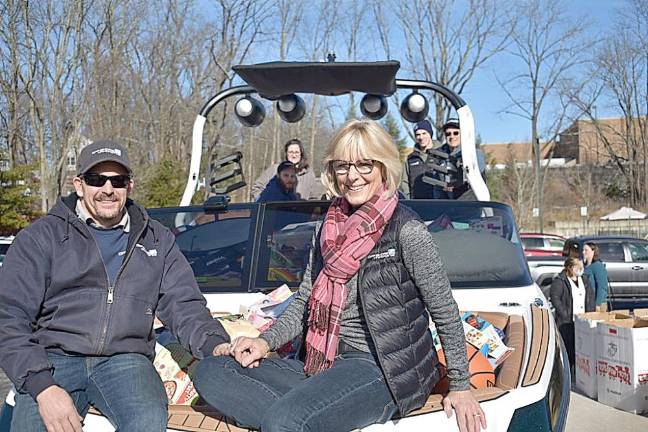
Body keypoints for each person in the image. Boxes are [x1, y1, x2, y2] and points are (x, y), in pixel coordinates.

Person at [194, 119, 486, 432]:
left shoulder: (407, 230)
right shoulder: (326, 229)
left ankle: (291, 420)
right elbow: (306, 299)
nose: (353, 176)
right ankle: (299, 419)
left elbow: (443, 309)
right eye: (343, 166)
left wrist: (460, 386)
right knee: (212, 371)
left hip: (382, 369)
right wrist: (265, 342)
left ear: (384, 166)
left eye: (364, 164)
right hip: (322, 359)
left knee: (286, 421)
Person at [0, 140, 231, 432]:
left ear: (129, 186)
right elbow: (9, 318)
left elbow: (183, 304)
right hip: (53, 358)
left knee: (148, 422)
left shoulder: (156, 239)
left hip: (125, 360)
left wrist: (215, 343)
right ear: (79, 184)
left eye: (117, 180)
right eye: (97, 179)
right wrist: (43, 387)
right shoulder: (40, 238)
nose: (108, 189)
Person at [550, 258, 595, 369]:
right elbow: (555, 298)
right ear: (570, 268)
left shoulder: (584, 280)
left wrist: (591, 314)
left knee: (582, 347)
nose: (580, 270)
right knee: (568, 347)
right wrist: (565, 313)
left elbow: (590, 296)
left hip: (583, 319)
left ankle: (580, 369)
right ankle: (569, 369)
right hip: (567, 321)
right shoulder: (560, 281)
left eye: (581, 268)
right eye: (577, 268)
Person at [432, 119, 487, 200]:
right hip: (449, 207)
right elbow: (438, 187)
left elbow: (476, 175)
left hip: (471, 206)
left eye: (456, 133)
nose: (452, 137)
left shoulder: (474, 154)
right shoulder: (440, 158)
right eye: (448, 134)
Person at [251, 139, 319, 200]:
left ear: (301, 154)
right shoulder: (274, 169)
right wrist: (264, 203)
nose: (294, 155)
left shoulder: (308, 173)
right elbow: (257, 188)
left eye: (296, 152)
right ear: (286, 153)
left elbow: (314, 198)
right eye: (291, 152)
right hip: (277, 211)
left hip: (301, 212)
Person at [399, 119, 439, 199]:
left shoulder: (441, 154)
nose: (421, 137)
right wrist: (409, 200)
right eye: (418, 134)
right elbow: (404, 182)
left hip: (439, 204)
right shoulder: (411, 158)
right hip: (417, 204)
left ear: (430, 134)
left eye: (424, 133)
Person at [582, 242, 609, 311]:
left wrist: (598, 304)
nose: (583, 252)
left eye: (586, 250)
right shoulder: (584, 266)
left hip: (597, 304)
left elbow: (602, 287)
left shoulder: (597, 266)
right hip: (587, 302)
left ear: (593, 251)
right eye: (583, 250)